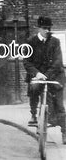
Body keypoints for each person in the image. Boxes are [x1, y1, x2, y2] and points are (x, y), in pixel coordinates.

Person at [23, 16, 66, 144]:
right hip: (38, 76)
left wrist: (46, 75)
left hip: (55, 76)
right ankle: (34, 115)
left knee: (59, 104)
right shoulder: (30, 42)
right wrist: (36, 73)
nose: (47, 30)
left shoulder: (55, 42)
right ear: (39, 28)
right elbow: (26, 61)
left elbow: (58, 62)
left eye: (49, 28)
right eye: (44, 28)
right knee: (34, 88)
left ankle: (64, 132)